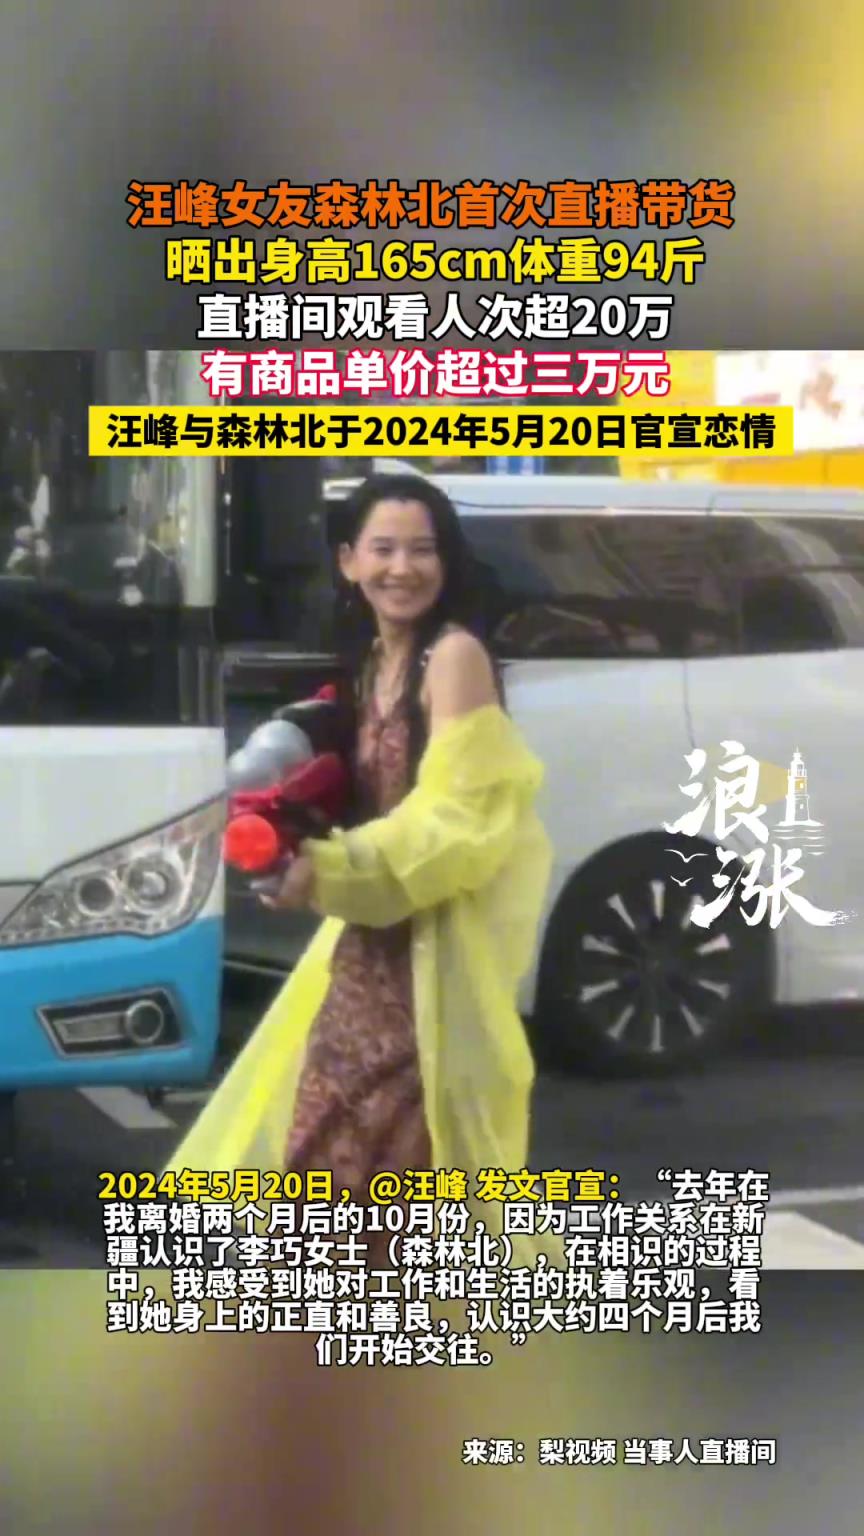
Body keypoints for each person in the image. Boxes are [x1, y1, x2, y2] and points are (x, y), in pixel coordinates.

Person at [164, 472, 554, 1260]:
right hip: (364, 957)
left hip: (430, 964)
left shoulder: (454, 657)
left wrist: (330, 870)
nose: (401, 568)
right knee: (317, 1158)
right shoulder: (374, 661)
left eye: (422, 550)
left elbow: (455, 822)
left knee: (398, 1179)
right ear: (348, 561)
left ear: (446, 562)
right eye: (383, 549)